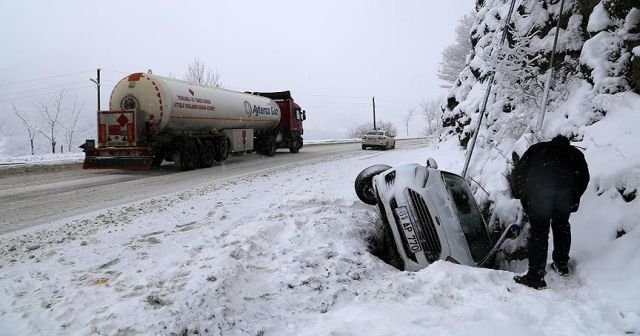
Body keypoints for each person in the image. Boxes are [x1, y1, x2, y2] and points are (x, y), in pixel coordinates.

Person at [510, 134, 590, 289]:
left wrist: (524, 194)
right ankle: (561, 264)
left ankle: (536, 276)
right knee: (562, 227)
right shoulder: (576, 155)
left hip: (539, 197)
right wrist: (573, 196)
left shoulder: (537, 149)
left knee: (539, 233)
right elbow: (584, 179)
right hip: (563, 198)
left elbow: (519, 173)